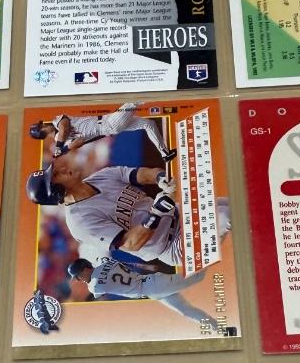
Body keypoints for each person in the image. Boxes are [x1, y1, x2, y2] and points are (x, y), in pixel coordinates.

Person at [27, 152, 229, 268]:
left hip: (181, 213)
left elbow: (143, 174)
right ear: (56, 191)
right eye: (56, 176)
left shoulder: (101, 176)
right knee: (225, 217)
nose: (62, 169)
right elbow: (131, 244)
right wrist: (156, 213)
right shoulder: (80, 221)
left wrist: (160, 178)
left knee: (231, 204)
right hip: (173, 245)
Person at [67, 256, 235, 335]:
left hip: (153, 286)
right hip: (153, 288)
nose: (79, 279)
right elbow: (124, 263)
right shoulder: (106, 262)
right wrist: (146, 267)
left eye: (79, 275)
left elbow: (92, 292)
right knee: (186, 311)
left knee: (197, 276)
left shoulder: (94, 286)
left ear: (85, 268)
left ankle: (215, 244)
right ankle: (223, 330)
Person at [29, 104, 176, 161]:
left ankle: (165, 154)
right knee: (133, 101)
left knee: (148, 124)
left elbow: (65, 127)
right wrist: (65, 149)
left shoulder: (57, 122)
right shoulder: (59, 141)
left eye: (42, 124)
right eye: (42, 127)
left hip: (107, 121)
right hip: (108, 125)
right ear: (42, 133)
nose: (44, 124)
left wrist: (60, 147)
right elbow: (79, 142)